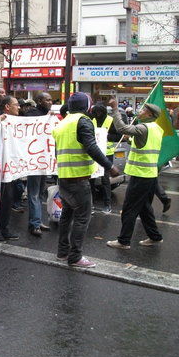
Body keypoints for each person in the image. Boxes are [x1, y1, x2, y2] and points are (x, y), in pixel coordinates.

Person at [54, 93, 119, 267]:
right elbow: (91, 147)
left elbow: (57, 152)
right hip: (78, 179)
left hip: (64, 178)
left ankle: (62, 252)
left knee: (66, 216)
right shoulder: (83, 121)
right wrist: (109, 166)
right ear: (87, 106)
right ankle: (75, 257)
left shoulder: (62, 123)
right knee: (82, 218)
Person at [106, 98, 164, 250]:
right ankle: (155, 237)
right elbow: (144, 144)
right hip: (150, 175)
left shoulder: (143, 128)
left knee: (129, 208)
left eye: (144, 110)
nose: (140, 112)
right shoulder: (156, 128)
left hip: (141, 175)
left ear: (150, 114)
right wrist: (131, 141)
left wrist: (115, 109)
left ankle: (123, 241)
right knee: (144, 208)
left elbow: (121, 128)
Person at [0, 95, 20, 242]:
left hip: (11, 168)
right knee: (1, 200)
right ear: (7, 107)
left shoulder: (17, 121)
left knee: (9, 199)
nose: (19, 107)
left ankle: (4, 227)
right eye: (16, 104)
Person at [24, 93, 53, 236]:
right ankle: (35, 224)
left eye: (50, 99)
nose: (50, 101)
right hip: (34, 160)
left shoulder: (47, 115)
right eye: (47, 99)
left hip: (44, 160)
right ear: (39, 101)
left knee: (41, 192)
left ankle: (37, 220)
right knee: (34, 193)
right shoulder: (32, 114)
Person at [91, 103, 121, 214]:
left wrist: (106, 136)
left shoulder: (110, 120)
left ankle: (107, 204)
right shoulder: (92, 119)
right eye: (95, 113)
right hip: (93, 153)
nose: (97, 115)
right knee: (91, 179)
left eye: (99, 113)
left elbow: (118, 136)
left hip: (107, 153)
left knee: (105, 180)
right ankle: (91, 204)